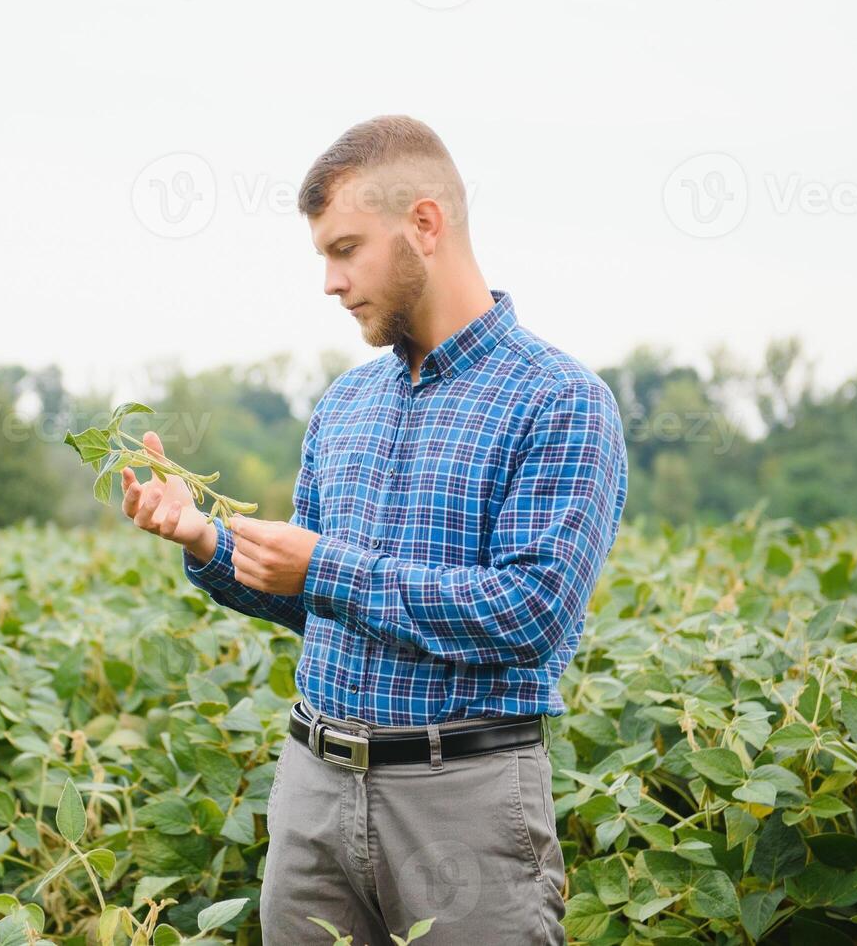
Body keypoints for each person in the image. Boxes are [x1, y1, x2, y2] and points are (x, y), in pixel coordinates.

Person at [120, 114, 628, 946]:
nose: (329, 280)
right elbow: (316, 603)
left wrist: (325, 568)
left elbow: (532, 613)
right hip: (312, 791)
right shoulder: (346, 403)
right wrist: (208, 541)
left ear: (424, 225)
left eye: (346, 248)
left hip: (462, 799)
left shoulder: (561, 400)